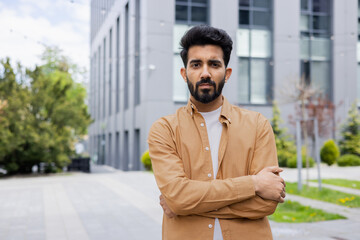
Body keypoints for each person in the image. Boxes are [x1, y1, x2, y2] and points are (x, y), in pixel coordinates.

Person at [147, 25, 285, 240]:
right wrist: (254, 184)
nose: (205, 73)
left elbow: (266, 203)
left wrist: (186, 205)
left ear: (226, 73)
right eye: (196, 64)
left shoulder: (258, 124)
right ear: (184, 73)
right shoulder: (164, 130)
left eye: (214, 64)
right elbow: (178, 198)